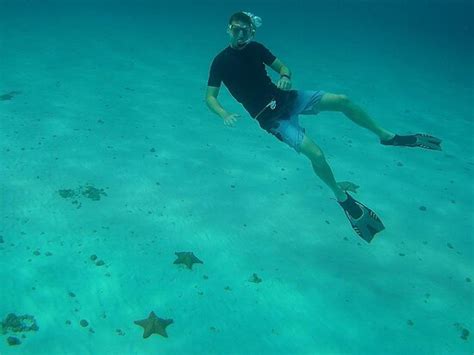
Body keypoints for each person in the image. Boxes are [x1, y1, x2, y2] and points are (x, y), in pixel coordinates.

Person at [204, 11, 442, 243]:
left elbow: (284, 68)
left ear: (251, 32)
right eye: (236, 30)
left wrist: (286, 76)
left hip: (287, 98)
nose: (241, 35)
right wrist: (223, 113)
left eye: (245, 31)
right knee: (317, 155)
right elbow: (210, 98)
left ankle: (387, 137)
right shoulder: (220, 62)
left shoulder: (257, 49)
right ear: (228, 30)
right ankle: (343, 199)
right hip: (271, 119)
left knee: (342, 100)